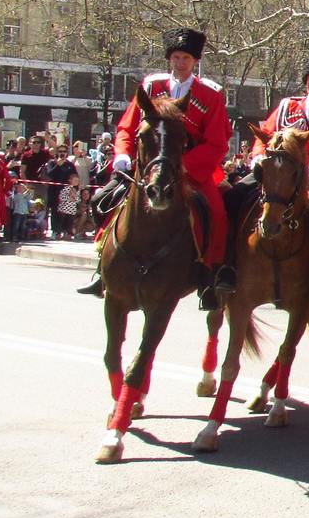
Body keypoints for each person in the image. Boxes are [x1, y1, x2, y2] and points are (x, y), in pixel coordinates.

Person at [78, 27, 233, 308]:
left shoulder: (211, 94)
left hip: (190, 169)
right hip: (148, 166)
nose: (180, 63)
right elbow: (127, 127)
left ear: (194, 61)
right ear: (169, 58)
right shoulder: (150, 87)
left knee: (217, 213)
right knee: (105, 199)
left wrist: (183, 166)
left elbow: (216, 143)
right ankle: (102, 266)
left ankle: (210, 273)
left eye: (185, 57)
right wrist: (122, 154)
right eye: (176, 57)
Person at [225, 56, 309, 301]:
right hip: (276, 173)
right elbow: (265, 134)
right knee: (236, 195)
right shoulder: (287, 106)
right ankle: (228, 261)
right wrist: (257, 156)